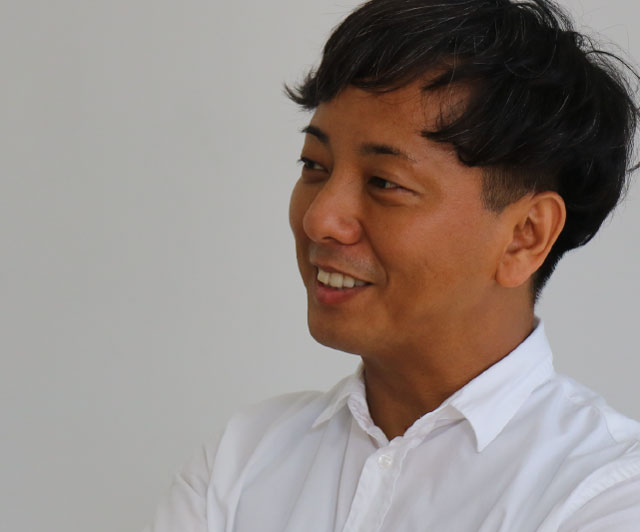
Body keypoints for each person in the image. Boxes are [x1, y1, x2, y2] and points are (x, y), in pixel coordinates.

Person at [145, 0, 640, 530]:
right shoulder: (241, 462)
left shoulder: (607, 495)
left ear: (525, 236)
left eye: (385, 182)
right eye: (314, 165)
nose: (320, 219)